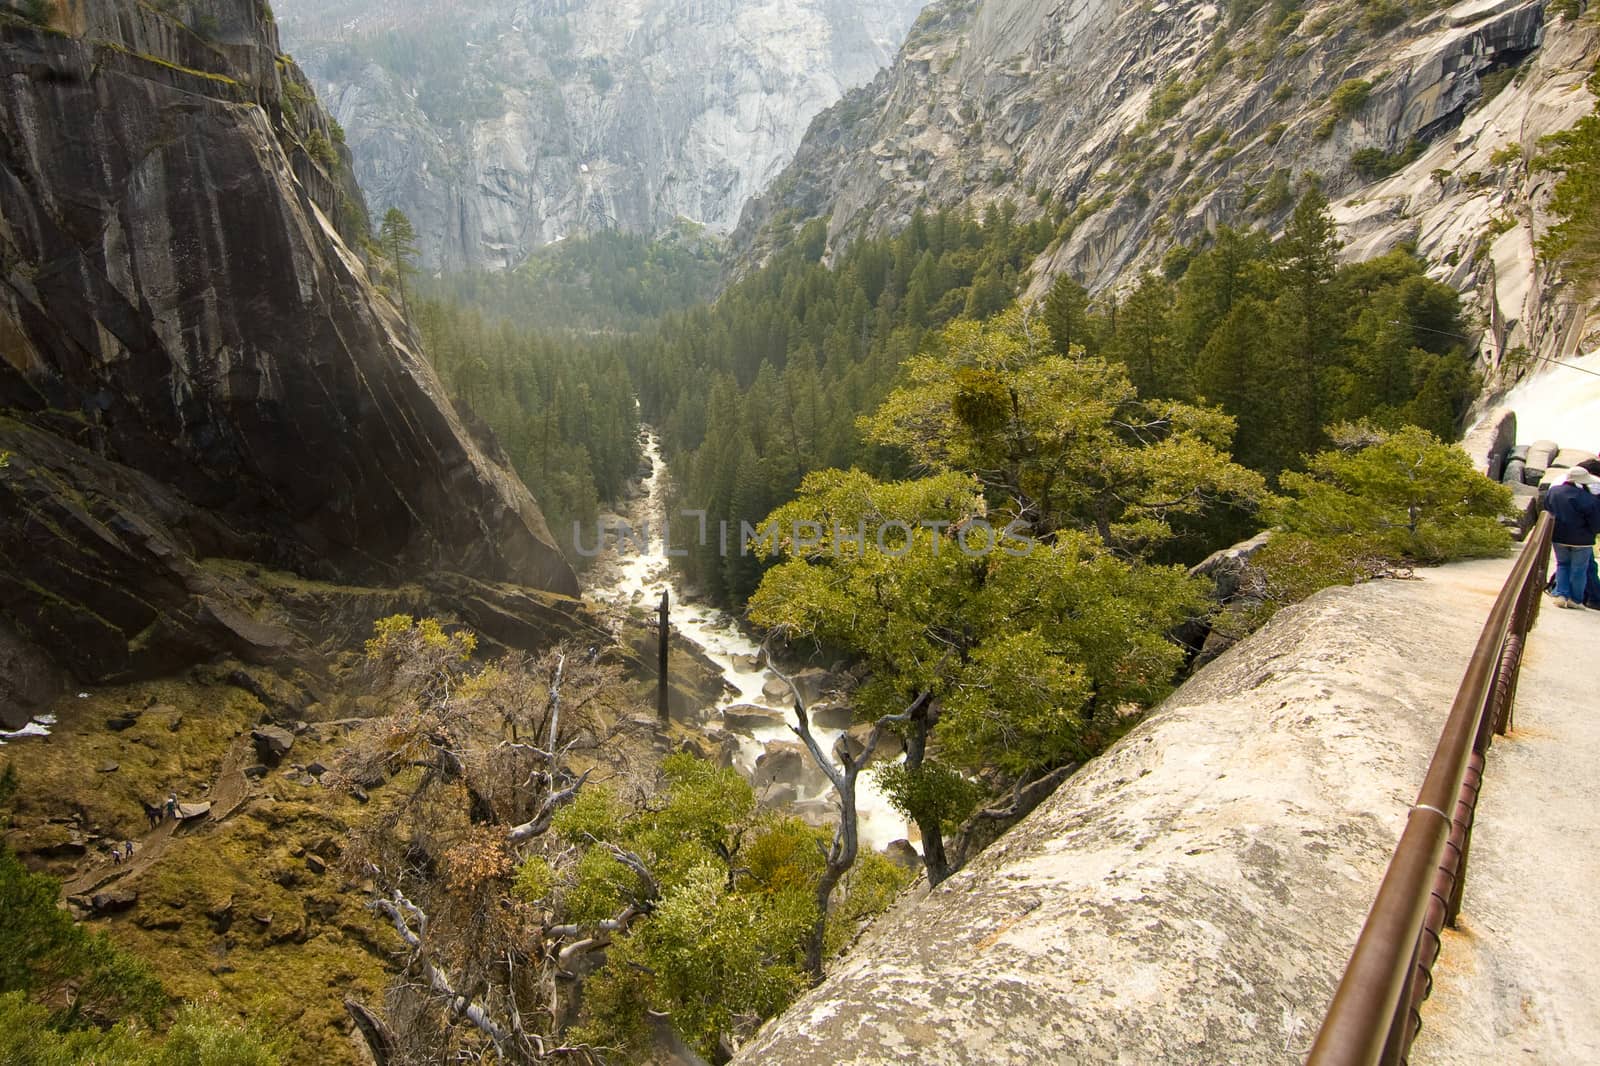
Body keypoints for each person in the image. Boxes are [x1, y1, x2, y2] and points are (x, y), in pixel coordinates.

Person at [1545, 465, 1600, 609]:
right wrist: (1593, 533)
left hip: (1558, 537)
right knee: (1579, 570)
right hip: (1582, 540)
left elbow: (1547, 510)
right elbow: (1595, 523)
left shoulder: (1553, 492)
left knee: (1562, 565)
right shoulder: (1588, 498)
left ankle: (1561, 595)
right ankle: (1575, 600)